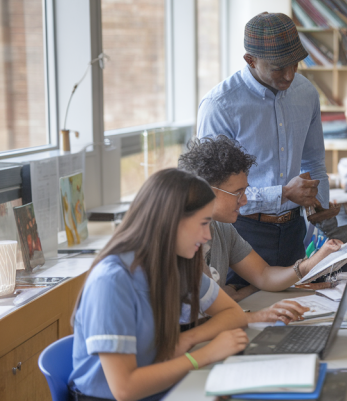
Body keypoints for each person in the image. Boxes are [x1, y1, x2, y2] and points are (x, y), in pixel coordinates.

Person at [69, 169, 249, 401]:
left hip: (157, 389)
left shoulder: (173, 263)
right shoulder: (111, 281)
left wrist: (188, 339)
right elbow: (125, 389)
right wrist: (203, 355)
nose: (207, 236)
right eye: (203, 223)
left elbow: (234, 315)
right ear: (171, 222)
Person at [196, 12, 329, 285]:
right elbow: (210, 187)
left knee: (298, 306)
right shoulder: (220, 105)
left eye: (295, 64)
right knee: (238, 307)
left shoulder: (306, 93)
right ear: (250, 60)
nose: (290, 75)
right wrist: (282, 194)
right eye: (278, 67)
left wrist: (321, 210)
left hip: (294, 229)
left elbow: (313, 161)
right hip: (240, 230)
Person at [177, 136, 344, 324]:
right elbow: (199, 315)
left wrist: (313, 261)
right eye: (238, 193)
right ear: (208, 190)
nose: (244, 200)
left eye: (245, 191)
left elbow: (264, 275)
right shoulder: (181, 241)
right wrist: (247, 306)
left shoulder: (223, 228)